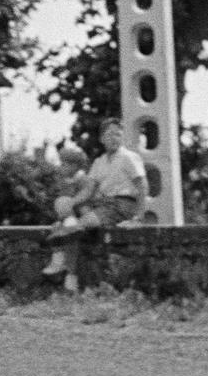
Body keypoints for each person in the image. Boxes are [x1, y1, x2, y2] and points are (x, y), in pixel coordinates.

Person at [44, 118, 148, 294]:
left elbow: (142, 186)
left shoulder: (129, 158)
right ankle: (70, 275)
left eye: (118, 134)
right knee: (69, 225)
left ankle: (59, 255)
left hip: (122, 204)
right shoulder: (99, 162)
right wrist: (72, 202)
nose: (114, 138)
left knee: (78, 225)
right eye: (109, 134)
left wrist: (139, 216)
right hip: (104, 205)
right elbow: (89, 190)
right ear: (102, 138)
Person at [41, 144, 89, 281]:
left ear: (75, 166)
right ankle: (58, 260)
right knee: (57, 228)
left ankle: (71, 274)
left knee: (71, 235)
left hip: (81, 216)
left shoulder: (83, 180)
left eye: (65, 164)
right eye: (62, 164)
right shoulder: (65, 182)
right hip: (70, 218)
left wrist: (72, 208)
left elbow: (85, 199)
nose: (61, 167)